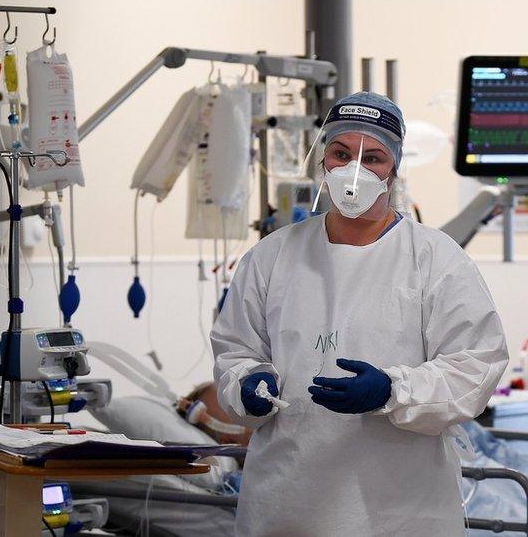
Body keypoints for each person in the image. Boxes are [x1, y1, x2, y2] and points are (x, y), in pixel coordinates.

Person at [212, 91, 508, 536]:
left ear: (394, 170)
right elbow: (236, 351)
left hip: (398, 511)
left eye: (374, 158)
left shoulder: (435, 260)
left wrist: (392, 389)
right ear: (322, 160)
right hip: (288, 503)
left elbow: (475, 368)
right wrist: (246, 383)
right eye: (341, 153)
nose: (355, 170)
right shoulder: (271, 258)